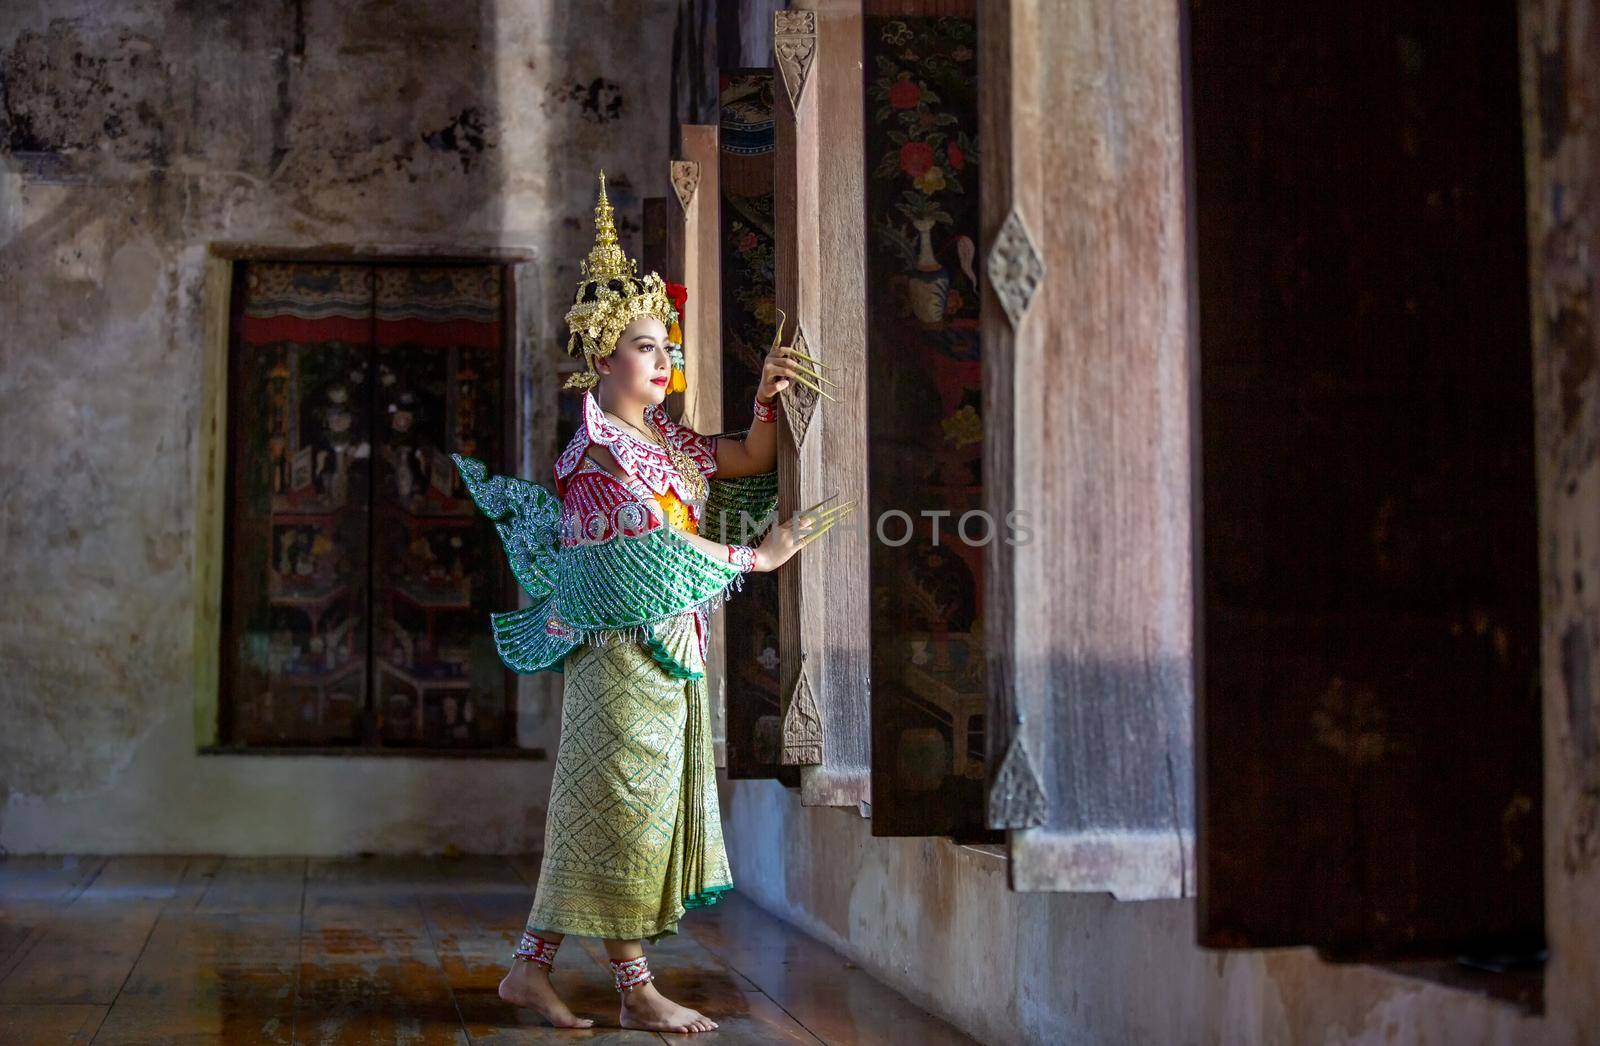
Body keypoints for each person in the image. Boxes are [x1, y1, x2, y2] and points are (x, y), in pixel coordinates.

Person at [452, 171, 850, 1033]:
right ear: (601, 356)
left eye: (668, 346)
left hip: (665, 657)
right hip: (619, 662)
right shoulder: (595, 461)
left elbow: (742, 458)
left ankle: (534, 973)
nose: (665, 361)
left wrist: (766, 400)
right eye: (647, 347)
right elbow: (657, 552)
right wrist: (762, 553)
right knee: (620, 817)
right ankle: (635, 988)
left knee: (608, 816)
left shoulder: (661, 438)